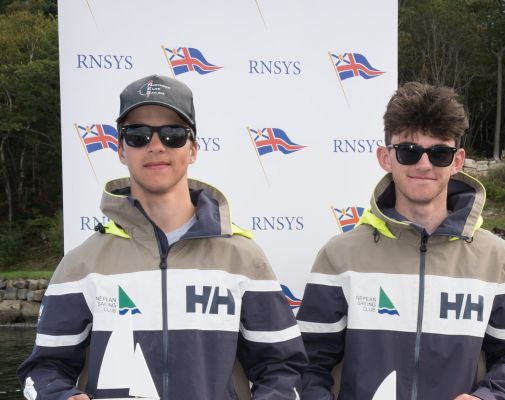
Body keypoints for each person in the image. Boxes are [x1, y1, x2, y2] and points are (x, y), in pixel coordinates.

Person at [17, 74, 307, 400]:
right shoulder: (82, 264)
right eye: (138, 135)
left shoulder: (242, 258)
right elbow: (43, 370)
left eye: (173, 134)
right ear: (121, 150)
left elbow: (285, 368)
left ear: (193, 149)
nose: (156, 145)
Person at [296, 81, 505, 400]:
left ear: (457, 161)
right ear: (386, 157)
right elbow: (306, 361)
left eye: (439, 153)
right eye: (409, 151)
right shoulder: (340, 255)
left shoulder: (496, 258)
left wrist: (489, 398)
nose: (424, 165)